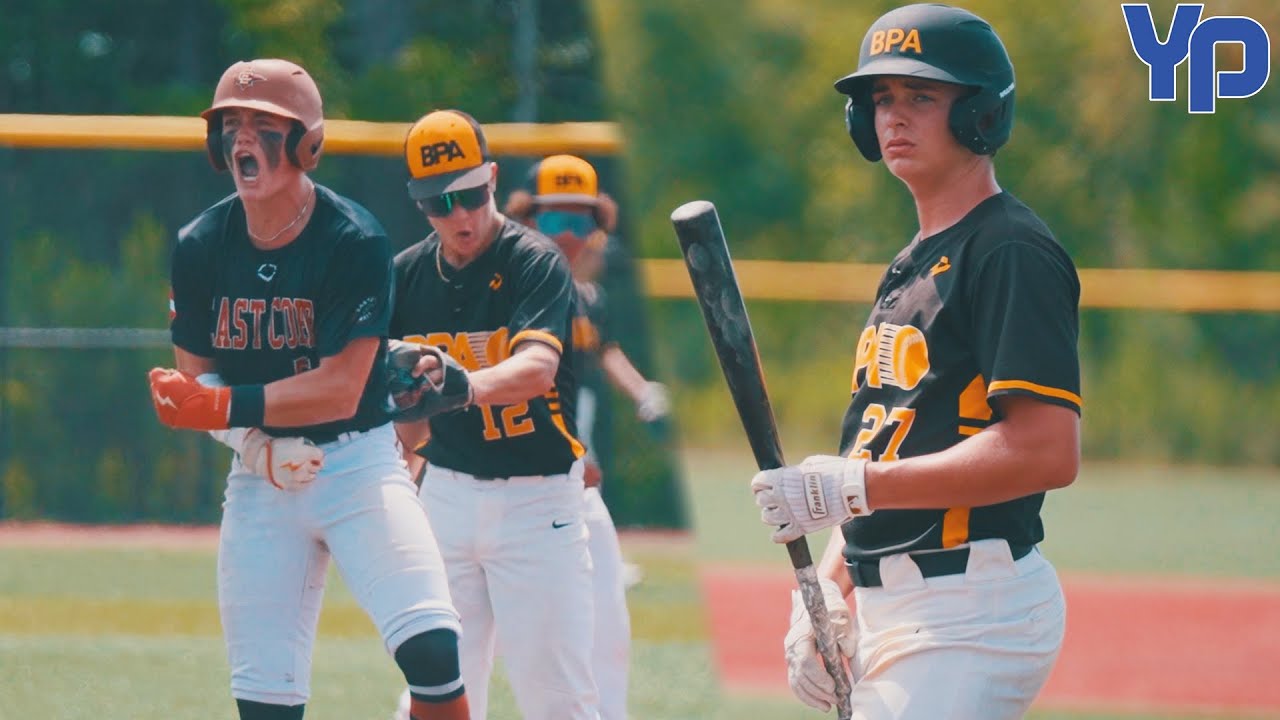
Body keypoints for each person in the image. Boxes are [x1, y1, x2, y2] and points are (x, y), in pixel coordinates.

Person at [748, 5, 1080, 719]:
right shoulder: (912, 263)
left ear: (982, 115)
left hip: (972, 611)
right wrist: (827, 598)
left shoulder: (1009, 250)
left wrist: (857, 486)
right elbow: (879, 445)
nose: (894, 117)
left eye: (922, 97)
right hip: (895, 605)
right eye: (882, 100)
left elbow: (1047, 450)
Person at [146, 59, 468, 720]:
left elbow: (343, 389)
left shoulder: (353, 239)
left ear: (306, 142)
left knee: (435, 653)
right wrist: (258, 448)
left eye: (265, 126)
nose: (242, 140)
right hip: (260, 477)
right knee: (265, 701)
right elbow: (193, 384)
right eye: (230, 124)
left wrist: (225, 406)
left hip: (358, 462)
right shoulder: (201, 244)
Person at [387, 110, 599, 720]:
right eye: (440, 202)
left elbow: (536, 370)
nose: (461, 215)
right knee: (431, 695)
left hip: (539, 504)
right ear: (419, 203)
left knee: (557, 699)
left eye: (473, 194)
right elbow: (402, 408)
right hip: (446, 496)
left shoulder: (534, 260)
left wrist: (460, 385)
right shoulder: (405, 275)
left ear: (493, 179)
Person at [504, 154, 670, 720]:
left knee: (602, 620)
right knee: (468, 638)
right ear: (527, 220)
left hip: (568, 470)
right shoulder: (507, 289)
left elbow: (604, 352)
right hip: (510, 478)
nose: (571, 235)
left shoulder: (587, 297)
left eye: (583, 221)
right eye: (555, 221)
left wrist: (645, 391)